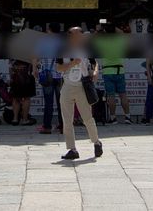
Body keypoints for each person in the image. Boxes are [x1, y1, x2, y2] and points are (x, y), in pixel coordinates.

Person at [55, 27, 103, 160]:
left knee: (87, 117)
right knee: (67, 119)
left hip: (83, 85)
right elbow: (58, 68)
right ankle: (72, 149)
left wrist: (95, 71)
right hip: (67, 85)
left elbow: (94, 63)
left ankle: (96, 142)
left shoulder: (87, 48)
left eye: (80, 34)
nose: (78, 37)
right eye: (75, 35)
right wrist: (71, 63)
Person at [94, 24, 132, 124]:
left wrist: (99, 30)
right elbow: (123, 34)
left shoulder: (103, 42)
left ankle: (113, 117)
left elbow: (92, 39)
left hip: (108, 71)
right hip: (120, 70)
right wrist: (113, 27)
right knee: (123, 94)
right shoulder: (120, 40)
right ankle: (127, 116)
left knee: (110, 95)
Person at [9, 59, 36, 126]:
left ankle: (15, 119)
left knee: (15, 98)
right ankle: (25, 120)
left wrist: (11, 77)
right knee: (26, 98)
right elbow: (33, 59)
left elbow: (10, 64)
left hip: (15, 74)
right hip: (26, 74)